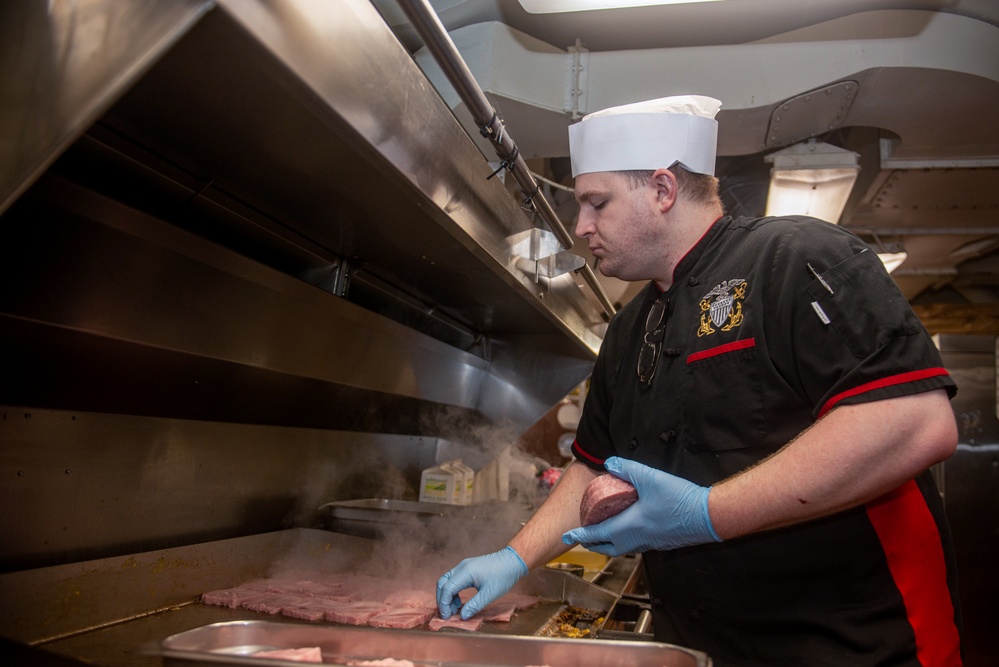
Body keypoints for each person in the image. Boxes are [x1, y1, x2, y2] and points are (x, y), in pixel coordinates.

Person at [435, 95, 962, 666]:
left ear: (662, 190)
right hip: (703, 646)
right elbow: (592, 462)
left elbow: (914, 424)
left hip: (858, 645)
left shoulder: (798, 258)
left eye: (596, 203)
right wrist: (514, 557)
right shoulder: (629, 328)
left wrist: (706, 513)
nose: (581, 226)